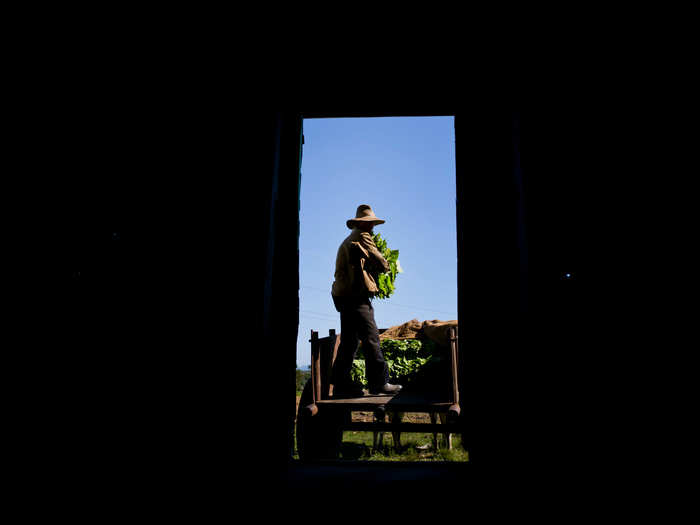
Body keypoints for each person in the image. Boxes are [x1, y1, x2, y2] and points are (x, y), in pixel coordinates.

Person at [330, 204, 403, 397]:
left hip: (343, 296)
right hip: (355, 296)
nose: (372, 227)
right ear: (365, 224)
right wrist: (386, 265)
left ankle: (341, 383)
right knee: (371, 339)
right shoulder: (362, 236)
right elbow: (380, 261)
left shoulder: (349, 239)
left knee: (349, 342)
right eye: (371, 224)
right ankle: (380, 384)